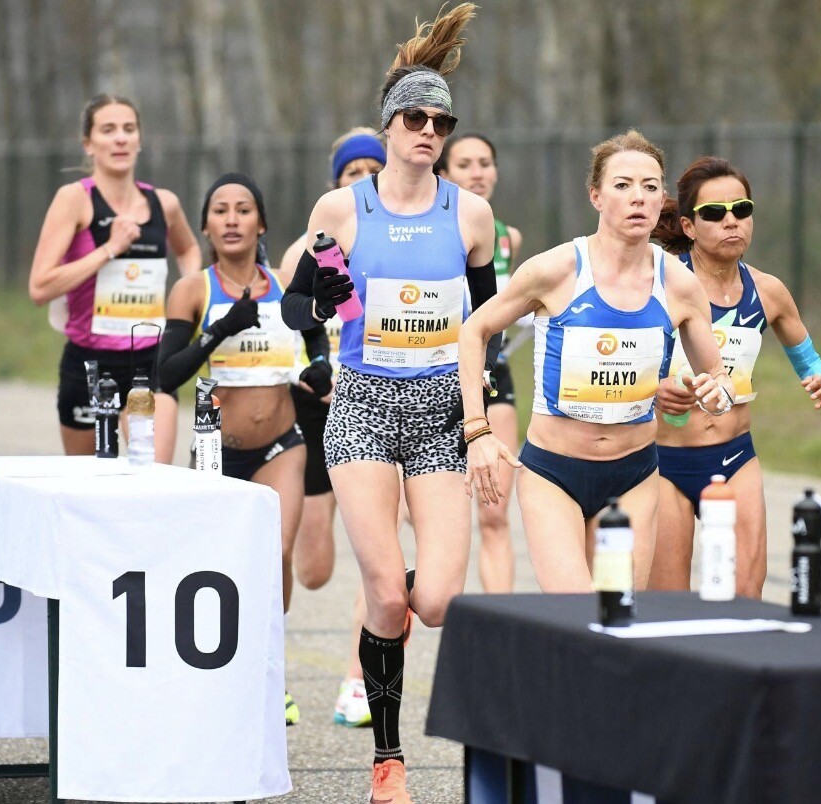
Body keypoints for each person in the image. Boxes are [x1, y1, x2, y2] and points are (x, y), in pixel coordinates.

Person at [278, 6, 496, 802]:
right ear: (389, 125)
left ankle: (392, 594)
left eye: (442, 122)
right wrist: (322, 302)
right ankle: (388, 762)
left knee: (431, 600)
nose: (429, 131)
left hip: (438, 412)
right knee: (386, 595)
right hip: (364, 406)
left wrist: (479, 421)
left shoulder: (469, 214)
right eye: (416, 118)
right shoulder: (342, 210)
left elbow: (484, 325)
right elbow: (294, 308)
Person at [458, 129, 735, 594]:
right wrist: (476, 430)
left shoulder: (680, 285)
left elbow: (720, 381)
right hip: (554, 473)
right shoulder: (556, 270)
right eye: (622, 185)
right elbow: (474, 330)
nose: (638, 197)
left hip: (634, 475)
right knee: (576, 611)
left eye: (650, 186)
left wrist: (714, 394)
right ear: (596, 196)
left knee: (617, 614)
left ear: (661, 199)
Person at [157, 173, 325, 727]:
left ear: (262, 224)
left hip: (282, 446)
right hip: (216, 452)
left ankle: (270, 673)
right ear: (205, 227)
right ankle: (217, 673)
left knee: (276, 553)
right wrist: (220, 329)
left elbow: (315, 344)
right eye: (220, 210)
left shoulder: (286, 285)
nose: (232, 219)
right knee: (217, 566)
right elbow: (164, 375)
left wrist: (320, 369)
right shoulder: (192, 290)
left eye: (244, 209)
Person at [648, 157, 821, 598]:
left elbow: (809, 359)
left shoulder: (768, 291)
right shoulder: (658, 284)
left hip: (735, 458)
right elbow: (618, 365)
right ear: (690, 226)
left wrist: (819, 378)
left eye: (741, 209)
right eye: (714, 213)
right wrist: (654, 392)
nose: (731, 221)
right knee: (668, 603)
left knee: (746, 596)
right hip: (663, 462)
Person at [277, 128, 386, 729]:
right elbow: (289, 326)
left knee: (381, 553)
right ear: (335, 182)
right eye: (352, 171)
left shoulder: (400, 238)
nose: (362, 178)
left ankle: (356, 681)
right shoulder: (305, 247)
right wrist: (314, 368)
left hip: (380, 403)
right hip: (318, 409)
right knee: (314, 568)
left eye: (372, 168)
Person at [28, 93, 201, 463]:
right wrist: (109, 248)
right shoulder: (74, 199)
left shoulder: (164, 203)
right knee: (88, 485)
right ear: (88, 144)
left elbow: (188, 249)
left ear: (139, 139)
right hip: (89, 363)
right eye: (108, 130)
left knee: (152, 476)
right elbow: (39, 287)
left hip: (150, 359)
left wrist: (186, 302)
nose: (120, 138)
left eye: (128, 129)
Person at [435, 133, 523, 593]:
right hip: (435, 374)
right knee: (430, 517)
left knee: (494, 513)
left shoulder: (508, 238)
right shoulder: (431, 229)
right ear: (445, 173)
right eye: (465, 164)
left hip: (492, 375)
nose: (477, 173)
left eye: (485, 163)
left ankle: (500, 623)